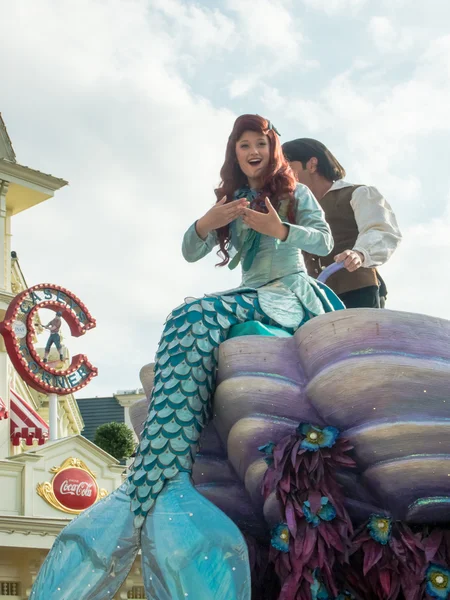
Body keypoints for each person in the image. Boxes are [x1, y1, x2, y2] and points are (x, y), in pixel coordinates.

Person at [29, 115, 344, 600]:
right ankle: (161, 469)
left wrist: (279, 230)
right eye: (244, 144)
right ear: (234, 152)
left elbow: (324, 241)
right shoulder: (234, 198)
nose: (253, 150)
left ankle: (156, 473)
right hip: (250, 291)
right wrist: (207, 223)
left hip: (285, 292)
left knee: (193, 314)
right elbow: (188, 249)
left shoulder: (295, 193)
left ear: (273, 149)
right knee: (188, 315)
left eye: (260, 143)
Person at [282, 138, 402, 308]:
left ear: (311, 164)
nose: (283, 177)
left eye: (287, 168)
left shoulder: (357, 193)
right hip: (318, 301)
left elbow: (381, 230)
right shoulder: (297, 212)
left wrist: (360, 253)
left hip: (358, 293)